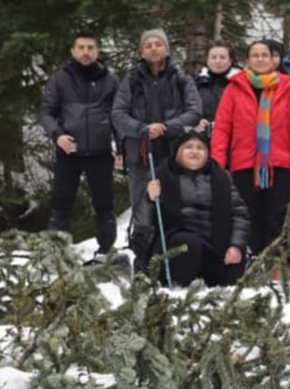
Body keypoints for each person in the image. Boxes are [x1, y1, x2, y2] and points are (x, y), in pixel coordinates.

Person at [112, 29, 202, 266]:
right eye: (148, 45)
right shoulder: (131, 80)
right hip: (140, 154)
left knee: (175, 203)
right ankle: (142, 259)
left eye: (158, 44)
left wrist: (167, 127)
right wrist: (142, 128)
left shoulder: (181, 79)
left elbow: (194, 111)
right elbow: (118, 113)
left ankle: (174, 257)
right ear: (142, 51)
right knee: (142, 205)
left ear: (167, 49)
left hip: (173, 152)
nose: (153, 48)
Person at [211, 40, 290, 254]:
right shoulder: (234, 88)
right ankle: (250, 262)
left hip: (280, 163)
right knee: (247, 215)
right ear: (248, 60)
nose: (260, 59)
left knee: (278, 216)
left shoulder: (287, 87)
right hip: (244, 163)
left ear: (272, 59)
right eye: (255, 55)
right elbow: (222, 128)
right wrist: (217, 160)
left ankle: (275, 262)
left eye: (265, 55)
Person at [40, 31, 120, 259]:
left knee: (105, 206)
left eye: (90, 48)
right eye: (81, 47)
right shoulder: (59, 79)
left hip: (100, 151)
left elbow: (119, 115)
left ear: (97, 51)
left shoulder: (110, 79)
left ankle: (106, 253)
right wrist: (57, 136)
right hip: (69, 151)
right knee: (61, 204)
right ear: (73, 51)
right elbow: (47, 112)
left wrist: (121, 149)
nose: (86, 52)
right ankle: (57, 253)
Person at [144, 130, 250, 287]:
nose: (194, 151)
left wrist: (236, 246)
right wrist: (150, 199)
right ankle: (179, 288)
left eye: (200, 148)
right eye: (188, 147)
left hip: (215, 246)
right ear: (178, 152)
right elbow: (144, 219)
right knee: (187, 244)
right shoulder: (160, 175)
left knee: (232, 273)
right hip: (176, 246)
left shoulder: (221, 177)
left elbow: (240, 214)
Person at [195, 41, 240, 133]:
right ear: (207, 60)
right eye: (213, 57)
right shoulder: (196, 84)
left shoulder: (241, 84)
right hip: (202, 136)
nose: (218, 61)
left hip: (233, 136)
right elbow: (187, 110)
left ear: (230, 60)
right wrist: (196, 121)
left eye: (222, 57)